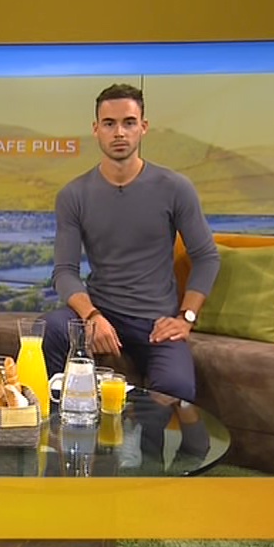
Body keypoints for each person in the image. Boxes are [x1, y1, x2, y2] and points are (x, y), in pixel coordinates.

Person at [41, 83, 220, 403]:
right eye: (109, 124)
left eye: (129, 122)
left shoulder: (175, 188)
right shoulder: (74, 195)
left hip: (156, 322)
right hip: (102, 312)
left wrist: (186, 318)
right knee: (53, 328)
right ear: (96, 129)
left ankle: (157, 434)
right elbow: (65, 271)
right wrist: (91, 316)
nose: (119, 132)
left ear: (143, 127)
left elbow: (206, 257)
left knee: (177, 389)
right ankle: (63, 423)